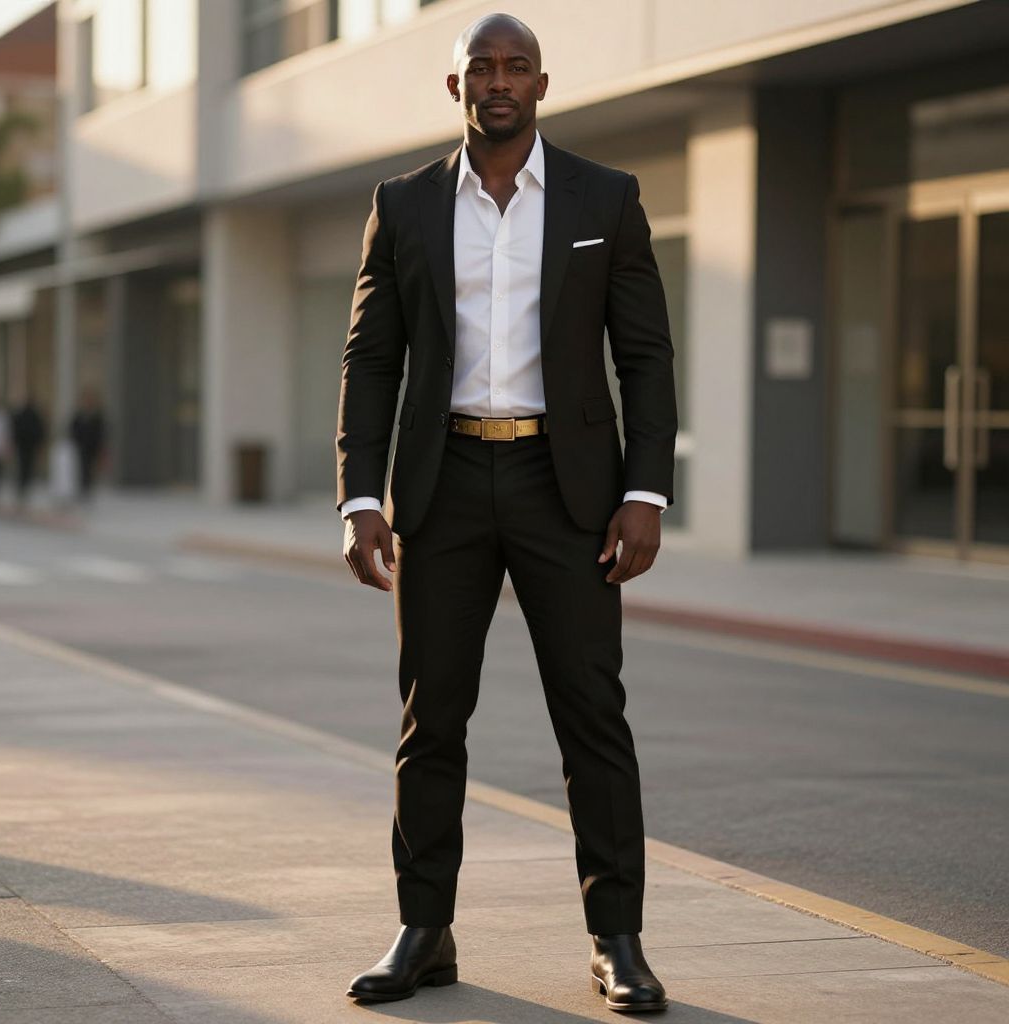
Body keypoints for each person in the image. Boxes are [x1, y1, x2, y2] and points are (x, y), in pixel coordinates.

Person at [336, 13, 677, 1014]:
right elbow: (370, 358)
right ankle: (423, 926)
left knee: (592, 715)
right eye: (479, 68)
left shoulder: (602, 199)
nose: (496, 82)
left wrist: (644, 492)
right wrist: (361, 495)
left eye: (513, 67)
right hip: (440, 489)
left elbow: (644, 355)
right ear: (455, 90)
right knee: (429, 718)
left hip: (563, 490)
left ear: (539, 83)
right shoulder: (401, 205)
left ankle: (617, 940)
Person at [68, 387, 106, 504]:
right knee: (82, 468)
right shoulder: (79, 416)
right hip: (81, 448)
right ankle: (82, 489)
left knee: (89, 469)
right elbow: (73, 430)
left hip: (92, 448)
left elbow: (101, 433)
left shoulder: (97, 417)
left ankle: (88, 489)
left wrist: (101, 446)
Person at [10, 395, 47, 510]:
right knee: (26, 466)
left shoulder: (25, 415)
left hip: (26, 446)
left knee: (24, 466)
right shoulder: (31, 415)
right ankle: (23, 486)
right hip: (27, 446)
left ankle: (23, 486)